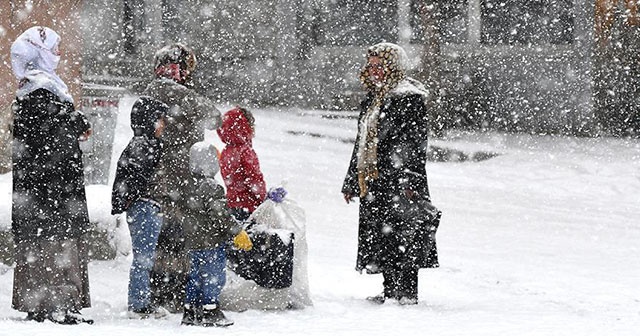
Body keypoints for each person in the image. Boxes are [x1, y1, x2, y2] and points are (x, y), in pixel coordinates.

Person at [341, 42, 439, 305]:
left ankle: (406, 293)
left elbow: (415, 143)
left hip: (399, 180)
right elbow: (362, 142)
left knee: (404, 233)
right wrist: (351, 181)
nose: (373, 71)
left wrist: (410, 179)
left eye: (379, 66)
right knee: (381, 234)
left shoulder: (408, 98)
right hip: (374, 180)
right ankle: (389, 289)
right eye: (370, 66)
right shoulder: (373, 98)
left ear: (392, 66)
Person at [10, 26, 93, 324]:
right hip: (52, 193)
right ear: (39, 52)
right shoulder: (41, 91)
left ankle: (45, 302)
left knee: (43, 245)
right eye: (54, 48)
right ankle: (56, 304)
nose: (58, 54)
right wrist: (72, 123)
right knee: (56, 246)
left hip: (39, 193)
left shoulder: (37, 88)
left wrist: (71, 121)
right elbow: (50, 142)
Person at [143, 43, 222, 312]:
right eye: (186, 67)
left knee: (164, 236)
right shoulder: (171, 90)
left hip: (163, 176)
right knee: (175, 235)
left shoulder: (154, 89)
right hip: (175, 177)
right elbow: (214, 117)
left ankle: (161, 290)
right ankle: (171, 292)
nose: (189, 73)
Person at [181, 142, 253, 327]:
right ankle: (210, 310)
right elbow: (221, 215)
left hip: (191, 243)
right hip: (210, 242)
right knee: (213, 277)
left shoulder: (187, 185)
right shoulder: (212, 187)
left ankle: (191, 311)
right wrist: (237, 232)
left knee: (194, 277)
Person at [111, 97, 169, 318]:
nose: (163, 125)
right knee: (143, 258)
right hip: (144, 207)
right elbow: (134, 178)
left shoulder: (145, 144)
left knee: (146, 258)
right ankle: (138, 304)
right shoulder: (144, 145)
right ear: (149, 121)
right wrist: (135, 198)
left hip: (147, 206)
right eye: (160, 120)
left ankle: (143, 299)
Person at [216, 107, 267, 221]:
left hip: (233, 204)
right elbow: (254, 179)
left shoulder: (226, 151)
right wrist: (264, 197)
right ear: (244, 127)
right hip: (249, 207)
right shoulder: (245, 151)